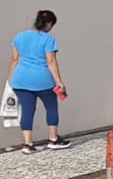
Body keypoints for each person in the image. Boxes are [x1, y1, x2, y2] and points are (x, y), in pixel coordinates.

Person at [8, 9, 71, 154]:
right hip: (42, 80)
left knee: (27, 111)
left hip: (20, 80)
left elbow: (14, 59)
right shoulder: (48, 39)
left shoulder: (19, 36)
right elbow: (51, 61)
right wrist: (59, 82)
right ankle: (53, 140)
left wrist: (10, 79)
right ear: (48, 24)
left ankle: (27, 144)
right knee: (51, 107)